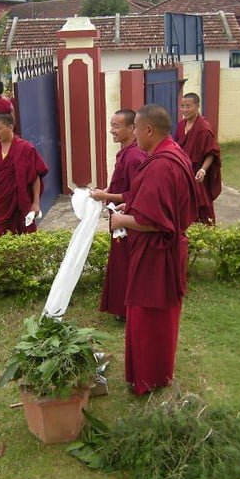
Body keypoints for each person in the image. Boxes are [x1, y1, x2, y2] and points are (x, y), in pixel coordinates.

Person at [111, 104, 198, 396]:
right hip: (162, 251)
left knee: (149, 315)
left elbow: (157, 221)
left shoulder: (162, 163)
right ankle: (156, 373)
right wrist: (131, 204)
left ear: (148, 130)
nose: (134, 134)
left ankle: (149, 377)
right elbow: (160, 204)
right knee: (156, 316)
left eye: (135, 128)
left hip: (157, 254)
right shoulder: (171, 153)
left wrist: (122, 219)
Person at [90, 109, 147, 321]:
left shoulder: (134, 156)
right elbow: (121, 184)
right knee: (120, 261)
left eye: (116, 126)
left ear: (132, 128)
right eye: (111, 125)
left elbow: (135, 193)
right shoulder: (125, 152)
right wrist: (105, 190)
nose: (111, 130)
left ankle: (126, 309)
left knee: (126, 263)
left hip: (129, 219)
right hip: (119, 215)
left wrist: (106, 195)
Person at [0, 112, 48, 236]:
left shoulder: (26, 148)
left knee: (22, 239)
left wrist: (36, 203)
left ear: (10, 127)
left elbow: (35, 178)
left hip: (19, 203)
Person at [174, 93, 222, 224]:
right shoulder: (180, 125)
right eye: (182, 106)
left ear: (197, 106)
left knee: (201, 206)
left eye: (188, 106)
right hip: (183, 173)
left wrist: (203, 170)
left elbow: (211, 152)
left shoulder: (204, 128)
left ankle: (204, 232)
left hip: (196, 174)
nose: (184, 110)